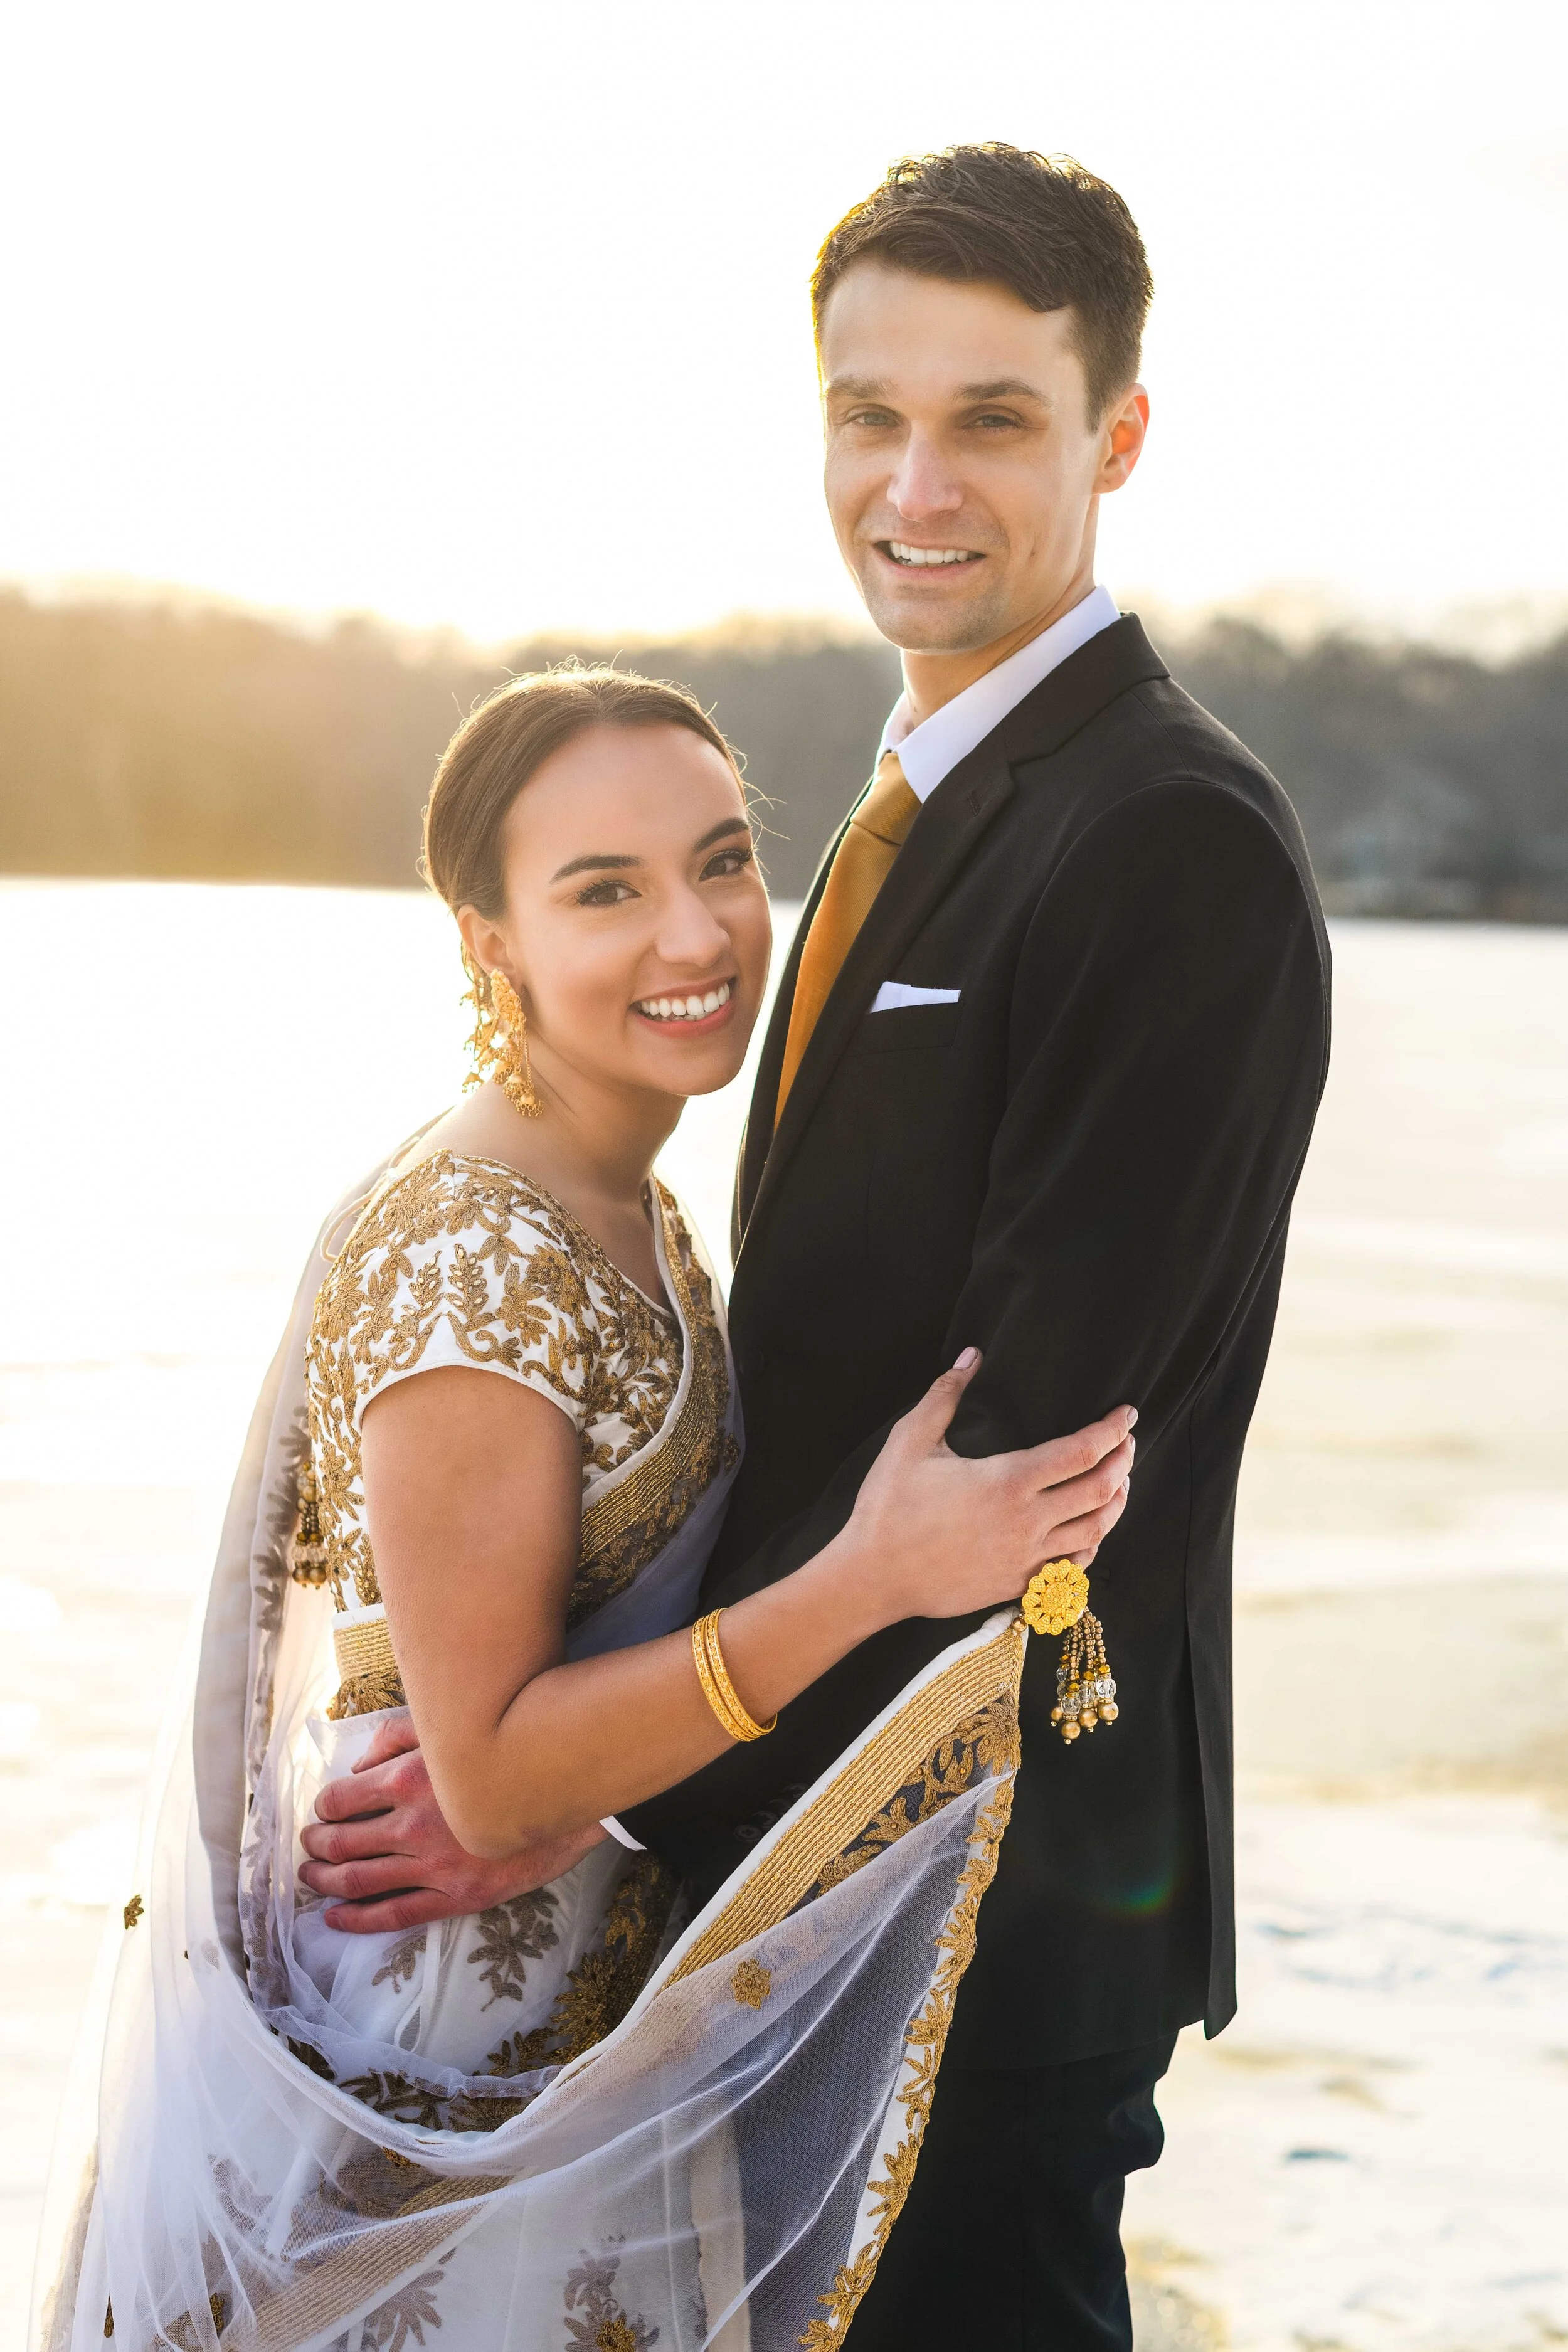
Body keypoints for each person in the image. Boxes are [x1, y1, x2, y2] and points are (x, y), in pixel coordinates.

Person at [306, 147, 1332, 2347]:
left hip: (981, 1898)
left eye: (990, 417)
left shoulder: (1163, 839)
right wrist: (554, 1762)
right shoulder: (925, 799)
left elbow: (997, 1488)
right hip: (813, 1894)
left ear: (1114, 438)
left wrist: (563, 1790)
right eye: (868, 414)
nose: (913, 480)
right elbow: (817, 1412)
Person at [34, 664, 1137, 2352]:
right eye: (603, 891)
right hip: (436, 2071)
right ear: (489, 935)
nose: (693, 934)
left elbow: (550, 1745)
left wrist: (596, 1810)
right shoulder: (471, 1250)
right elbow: (481, 1773)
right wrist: (871, 1573)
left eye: (716, 861)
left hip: (577, 2023)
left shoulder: (631, 1198)